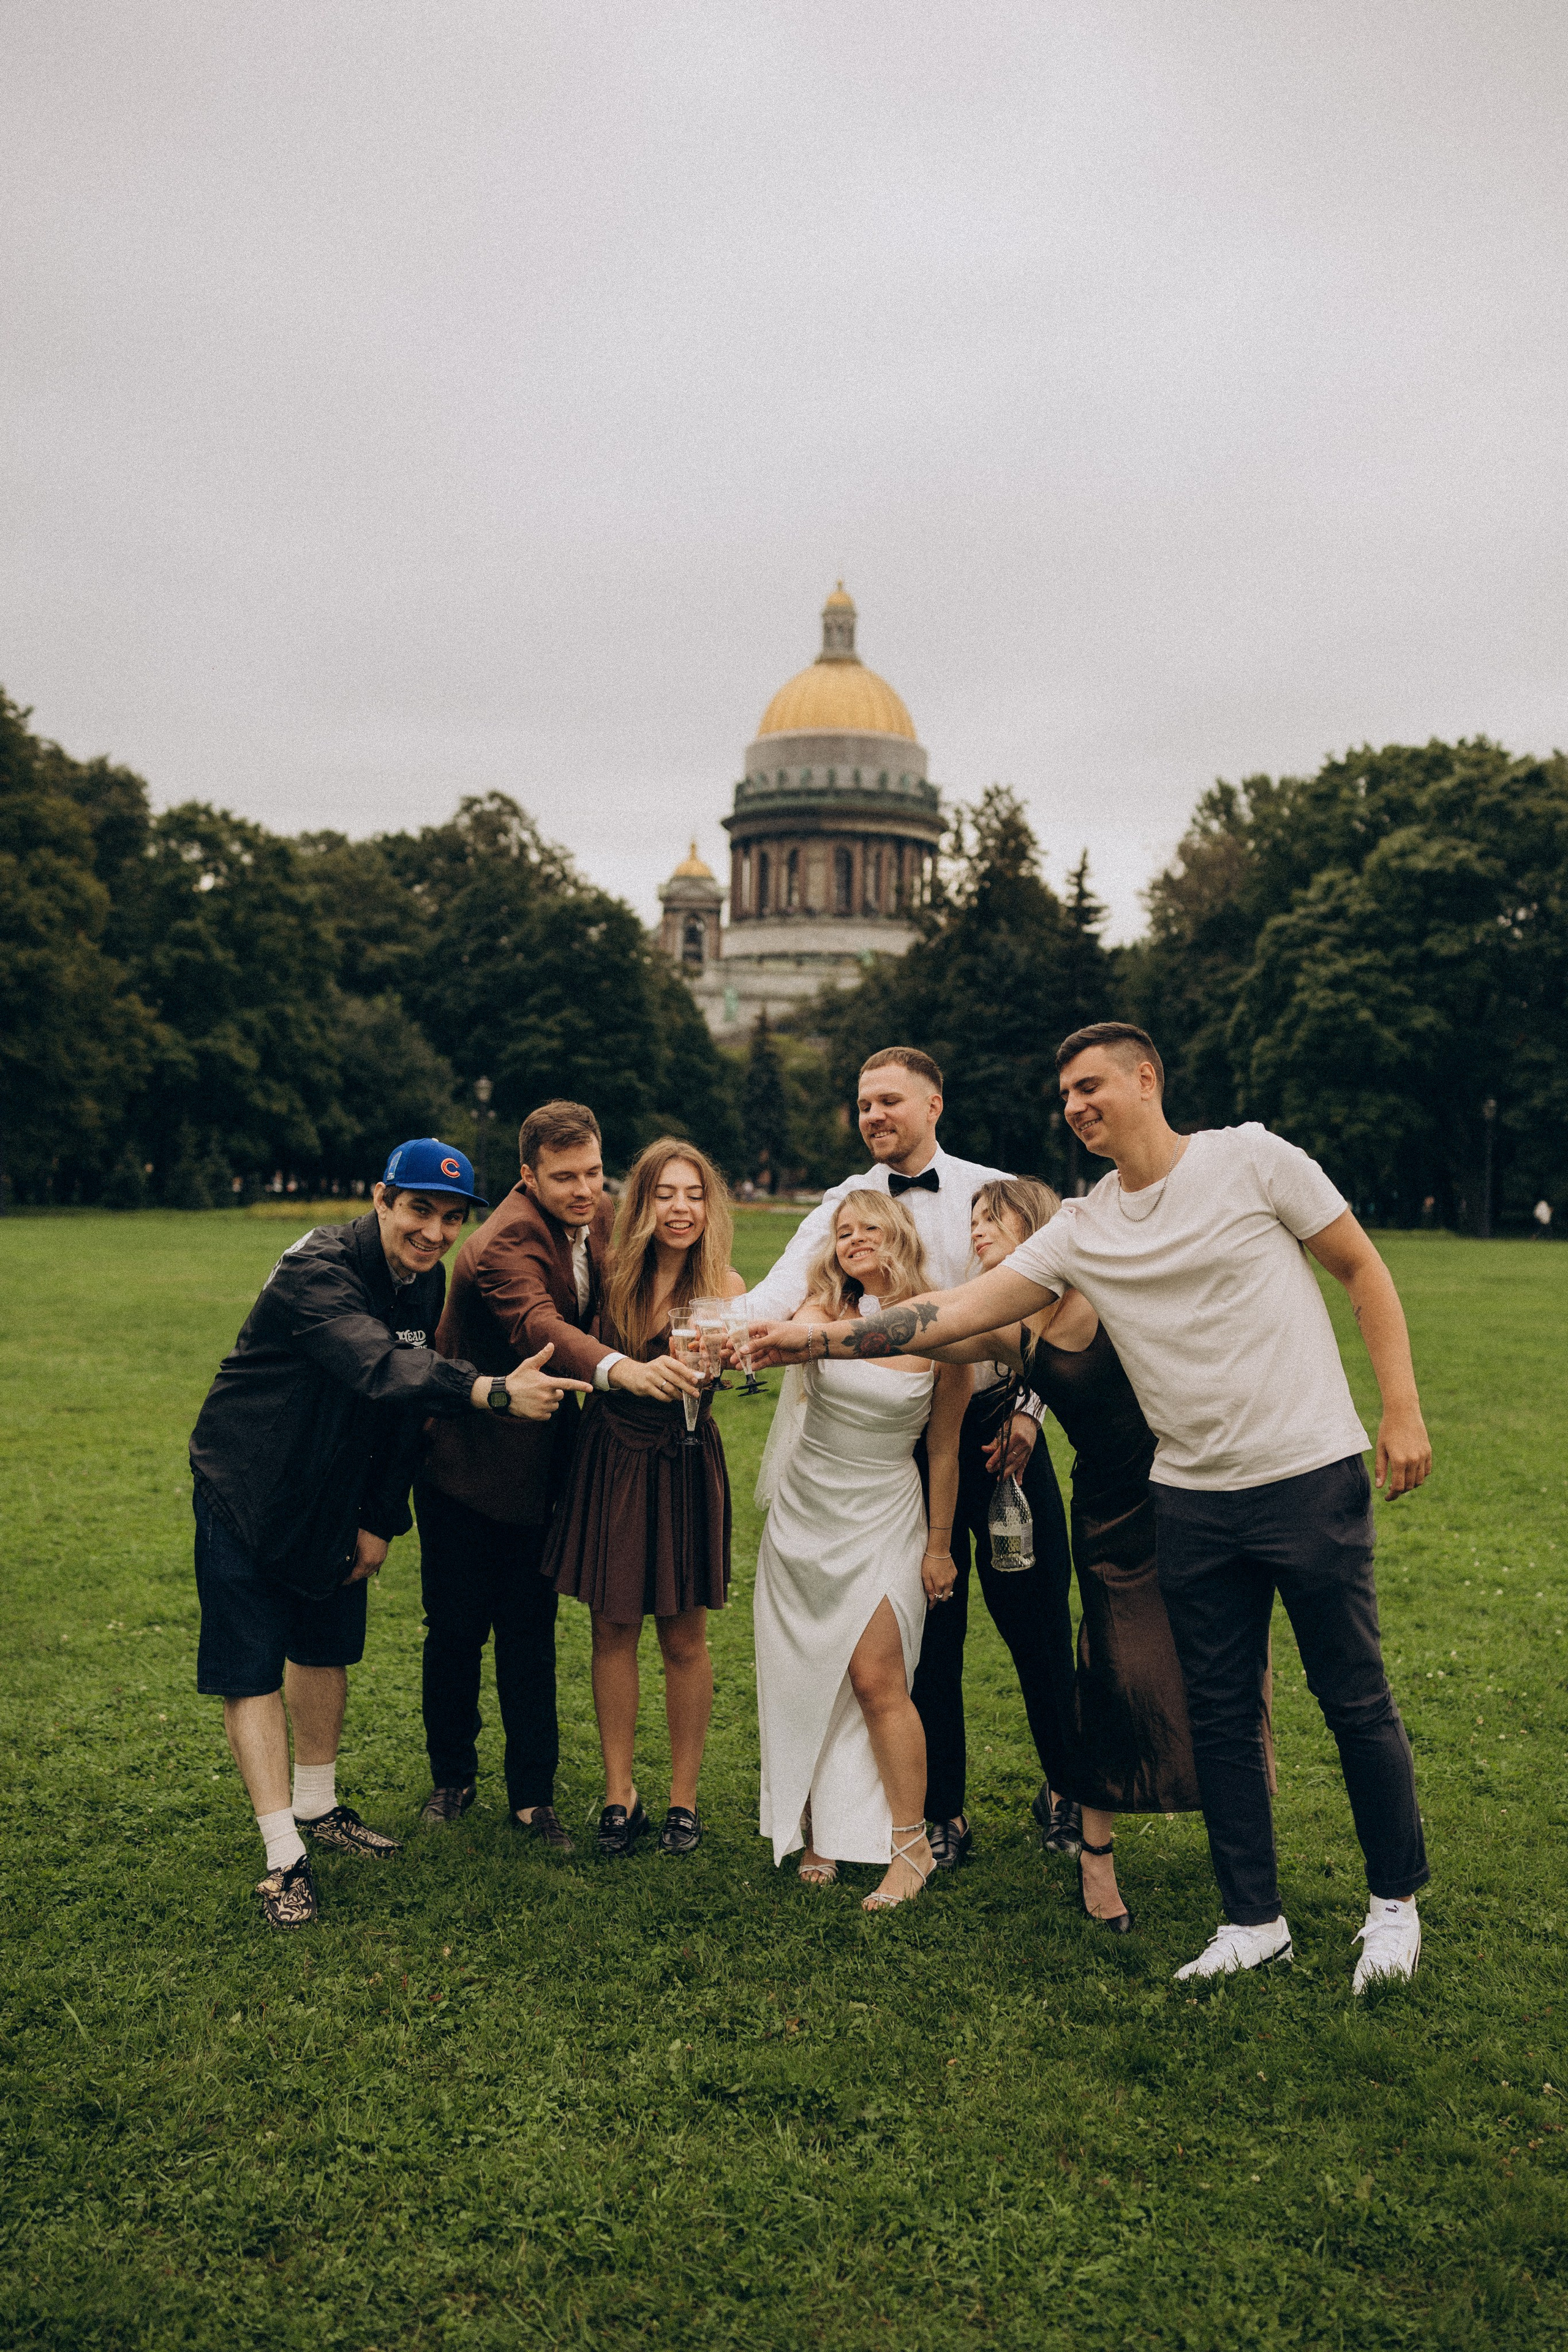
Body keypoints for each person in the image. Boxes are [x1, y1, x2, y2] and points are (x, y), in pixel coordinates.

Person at [745, 1022, 1434, 1992]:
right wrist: (814, 1343)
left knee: (1352, 1695)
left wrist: (1399, 1407)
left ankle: (1393, 1908)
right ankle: (1253, 1919)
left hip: (1305, 1470)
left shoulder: (1252, 1159)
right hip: (1188, 1498)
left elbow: (1362, 1268)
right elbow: (956, 1312)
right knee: (1223, 1715)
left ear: (1148, 1078)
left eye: (1090, 1084)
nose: (1073, 1104)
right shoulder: (1083, 1225)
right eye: (1063, 1092)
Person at [188, 1139, 586, 1929]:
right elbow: (377, 1366)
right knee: (252, 1666)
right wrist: (492, 1389)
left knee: (325, 1646)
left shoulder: (422, 1282)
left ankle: (319, 1807)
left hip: (334, 1496)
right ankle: (283, 1857)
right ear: (381, 1198)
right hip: (250, 1483)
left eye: (451, 1218)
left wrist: (378, 1518)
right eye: (419, 1210)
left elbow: (401, 1415)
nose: (435, 1232)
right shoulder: (319, 1269)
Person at [743, 1047, 1077, 1869]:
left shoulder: (993, 1192)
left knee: (1036, 1626)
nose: (874, 1116)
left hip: (1002, 1431)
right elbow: (775, 1299)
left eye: (890, 1100)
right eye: (863, 1104)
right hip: (903, 1445)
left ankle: (1071, 1794)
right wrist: (698, 1326)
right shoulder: (838, 1206)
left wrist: (1031, 1412)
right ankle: (942, 1816)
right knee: (934, 1636)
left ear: (934, 1104)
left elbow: (1062, 1307)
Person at [957, 1178, 1268, 1932]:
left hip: (1190, 1495)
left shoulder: (1108, 1290)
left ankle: (1246, 1849)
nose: (976, 1232)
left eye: (990, 1218)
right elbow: (926, 1330)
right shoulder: (1006, 1323)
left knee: (1222, 1668)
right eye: (969, 1220)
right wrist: (817, 1337)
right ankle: (1095, 1851)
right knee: (1107, 1673)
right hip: (1109, 1513)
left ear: (1036, 1231)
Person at [418, 1101, 687, 1844]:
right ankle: (452, 1778)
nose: (584, 1190)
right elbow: (541, 1327)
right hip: (463, 1467)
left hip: (545, 1469)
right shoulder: (502, 1241)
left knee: (531, 1634)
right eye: (564, 1177)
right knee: (457, 1632)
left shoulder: (599, 1215)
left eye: (595, 1173)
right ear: (528, 1175)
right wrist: (620, 1371)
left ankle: (533, 1798)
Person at [753, 1191, 970, 1909]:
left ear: (899, 1235)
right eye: (843, 1231)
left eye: (869, 1227)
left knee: (878, 1679)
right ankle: (824, 1831)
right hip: (805, 1519)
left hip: (884, 1514)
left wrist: (940, 1548)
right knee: (810, 1671)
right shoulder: (820, 1313)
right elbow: (769, 1337)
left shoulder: (938, 1324)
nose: (854, 1239)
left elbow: (944, 1451)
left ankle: (910, 1847)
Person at [541, 1139, 731, 1858]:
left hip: (683, 1465)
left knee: (684, 1636)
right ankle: (620, 1794)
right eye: (665, 1193)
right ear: (643, 1202)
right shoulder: (609, 1278)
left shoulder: (726, 1288)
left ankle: (684, 1801)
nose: (680, 1208)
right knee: (611, 1626)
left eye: (694, 1194)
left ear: (709, 1206)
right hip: (613, 1460)